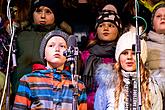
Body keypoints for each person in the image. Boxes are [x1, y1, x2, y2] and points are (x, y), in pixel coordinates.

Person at [13, 30, 87, 110]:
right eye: (51, 45)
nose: (57, 49)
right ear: (44, 54)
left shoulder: (78, 85)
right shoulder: (29, 80)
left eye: (62, 46)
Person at [94, 31, 163, 110]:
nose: (129, 57)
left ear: (141, 57)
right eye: (125, 53)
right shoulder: (108, 84)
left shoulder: (152, 86)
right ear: (118, 57)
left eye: (133, 53)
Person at [80, 9, 122, 109]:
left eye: (111, 25)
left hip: (114, 103)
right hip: (87, 103)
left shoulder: (121, 55)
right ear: (96, 30)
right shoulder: (85, 55)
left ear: (118, 30)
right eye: (101, 25)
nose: (106, 28)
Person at [145, 3, 165, 109]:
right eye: (158, 16)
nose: (162, 18)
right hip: (156, 100)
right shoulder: (145, 46)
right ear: (152, 24)